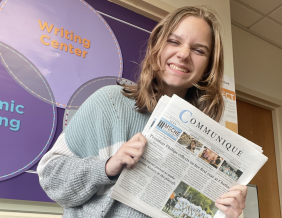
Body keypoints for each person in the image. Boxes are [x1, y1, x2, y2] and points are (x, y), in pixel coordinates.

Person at [37, 5, 247, 218]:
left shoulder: (204, 138)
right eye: (173, 41)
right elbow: (50, 178)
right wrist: (107, 167)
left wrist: (224, 215)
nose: (183, 54)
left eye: (198, 50)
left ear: (208, 67)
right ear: (157, 46)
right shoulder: (109, 102)